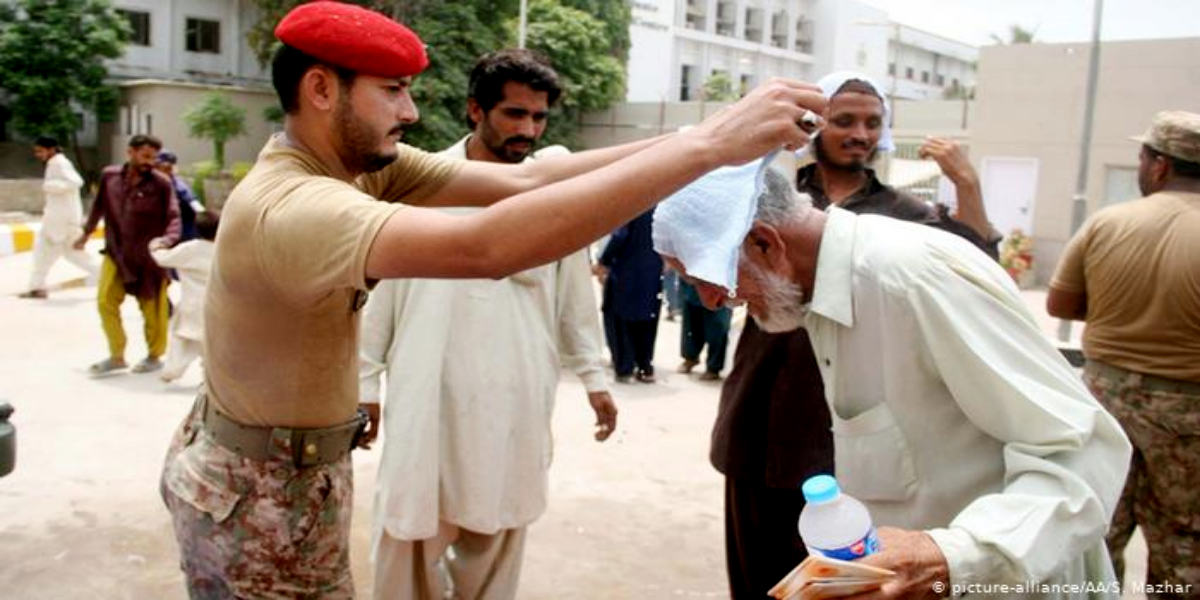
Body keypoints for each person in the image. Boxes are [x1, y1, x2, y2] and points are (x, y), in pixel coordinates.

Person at [156, 2, 826, 597]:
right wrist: (710, 146)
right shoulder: (296, 204)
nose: (411, 112)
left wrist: (702, 139)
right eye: (392, 91)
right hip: (263, 486)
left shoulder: (357, 171)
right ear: (322, 88)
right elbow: (487, 247)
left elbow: (534, 180)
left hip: (300, 469)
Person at [655, 164, 1131, 598]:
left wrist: (951, 557)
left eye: (702, 278)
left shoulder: (911, 278)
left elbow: (1082, 449)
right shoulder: (821, 295)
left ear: (764, 243)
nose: (711, 302)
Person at [708, 72, 1001, 599]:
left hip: (841, 436)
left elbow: (980, 271)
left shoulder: (907, 217)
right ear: (817, 125)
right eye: (845, 121)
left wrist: (968, 186)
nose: (860, 133)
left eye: (872, 123)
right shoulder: (772, 194)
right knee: (755, 583)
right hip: (756, 421)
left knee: (833, 586)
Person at [359, 49, 618, 600]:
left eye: (538, 117)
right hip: (428, 389)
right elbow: (378, 296)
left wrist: (594, 379)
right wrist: (363, 383)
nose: (528, 129)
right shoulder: (419, 186)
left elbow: (573, 299)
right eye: (515, 114)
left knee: (499, 526)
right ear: (476, 110)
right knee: (409, 529)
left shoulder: (555, 195)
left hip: (515, 391)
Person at [1047, 110, 1200, 593]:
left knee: (1094, 530)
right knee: (1184, 539)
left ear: (1158, 166)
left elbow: (1062, 304)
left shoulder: (1107, 223)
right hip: (1190, 413)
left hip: (1102, 399)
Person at [77, 134, 180, 376]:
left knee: (153, 310)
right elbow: (97, 208)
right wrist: (85, 234)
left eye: (154, 157)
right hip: (116, 253)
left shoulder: (162, 183)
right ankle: (117, 355)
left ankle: (154, 356)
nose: (150, 162)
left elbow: (174, 216)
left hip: (149, 258)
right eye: (145, 156)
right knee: (105, 301)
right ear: (130, 153)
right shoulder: (109, 176)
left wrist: (165, 241)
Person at [19, 136, 99, 299]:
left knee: (44, 253)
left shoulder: (59, 163)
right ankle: (109, 276)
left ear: (51, 149)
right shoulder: (55, 163)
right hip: (61, 219)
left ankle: (37, 287)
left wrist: (50, 186)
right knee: (72, 254)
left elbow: (76, 182)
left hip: (60, 220)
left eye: (40, 150)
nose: (38, 154)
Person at [149, 211, 219, 382]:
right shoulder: (222, 250)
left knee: (182, 339)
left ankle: (171, 371)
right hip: (216, 305)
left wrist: (155, 247)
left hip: (191, 304)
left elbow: (163, 259)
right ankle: (210, 377)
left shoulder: (190, 248)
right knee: (211, 345)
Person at [597, 208, 662, 383]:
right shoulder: (662, 204)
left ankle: (625, 369)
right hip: (652, 273)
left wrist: (604, 261)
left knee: (620, 321)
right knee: (647, 321)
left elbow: (619, 236)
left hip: (625, 273)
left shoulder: (634, 204)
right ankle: (645, 367)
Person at [677, 279, 731, 381]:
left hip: (721, 282)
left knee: (718, 326)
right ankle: (690, 358)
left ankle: (713, 368)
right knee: (691, 324)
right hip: (696, 280)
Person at [154, 150, 205, 242]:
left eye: (168, 168)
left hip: (183, 231)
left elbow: (194, 204)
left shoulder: (179, 187)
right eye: (158, 167)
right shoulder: (150, 185)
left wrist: (204, 216)